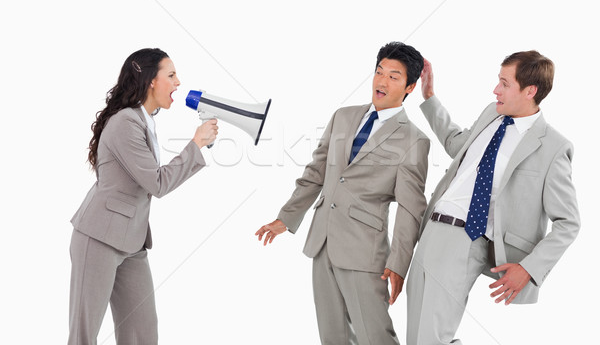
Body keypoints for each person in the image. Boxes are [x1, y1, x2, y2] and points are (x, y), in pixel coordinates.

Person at [256, 42, 430, 344]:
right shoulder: (343, 116)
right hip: (321, 243)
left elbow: (411, 208)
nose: (381, 81)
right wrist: (285, 218)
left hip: (365, 253)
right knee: (332, 337)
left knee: (375, 336)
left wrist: (399, 263)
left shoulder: (414, 140)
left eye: (393, 76)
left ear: (410, 87)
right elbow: (316, 173)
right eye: (379, 72)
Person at [406, 51, 580, 345]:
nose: (495, 89)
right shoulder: (492, 113)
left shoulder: (553, 147)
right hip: (432, 229)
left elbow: (569, 222)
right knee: (416, 337)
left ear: (530, 91)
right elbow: (456, 144)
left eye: (504, 83)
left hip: (466, 238)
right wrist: (429, 97)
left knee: (431, 339)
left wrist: (529, 268)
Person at [68, 48, 218, 344]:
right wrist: (196, 144)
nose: (178, 83)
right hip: (98, 239)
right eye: (171, 75)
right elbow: (158, 183)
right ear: (151, 80)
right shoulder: (125, 122)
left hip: (132, 242)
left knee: (142, 333)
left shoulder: (144, 120)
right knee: (84, 336)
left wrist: (198, 145)